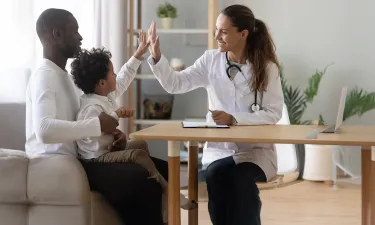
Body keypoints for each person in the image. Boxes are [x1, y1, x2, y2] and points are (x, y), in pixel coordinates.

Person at [26, 8, 167, 225]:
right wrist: (98, 125)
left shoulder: (65, 77)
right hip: (58, 163)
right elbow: (44, 130)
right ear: (57, 34)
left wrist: (138, 56)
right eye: (75, 32)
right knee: (143, 180)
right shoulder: (44, 77)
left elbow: (109, 90)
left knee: (163, 167)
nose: (80, 37)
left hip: (82, 157)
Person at [147, 4, 284, 225]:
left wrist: (235, 118)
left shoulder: (267, 68)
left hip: (255, 152)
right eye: (216, 29)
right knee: (216, 175)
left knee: (240, 180)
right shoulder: (210, 61)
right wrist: (156, 58)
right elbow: (175, 84)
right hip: (221, 149)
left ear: (243, 34)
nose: (216, 36)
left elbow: (274, 113)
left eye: (223, 31)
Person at [70, 46, 197, 216]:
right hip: (98, 158)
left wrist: (138, 54)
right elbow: (89, 132)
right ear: (101, 83)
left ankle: (163, 206)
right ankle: (168, 189)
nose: (115, 75)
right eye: (112, 73)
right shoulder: (90, 107)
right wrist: (116, 115)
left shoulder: (106, 97)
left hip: (109, 149)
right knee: (138, 155)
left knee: (140, 143)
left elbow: (124, 76)